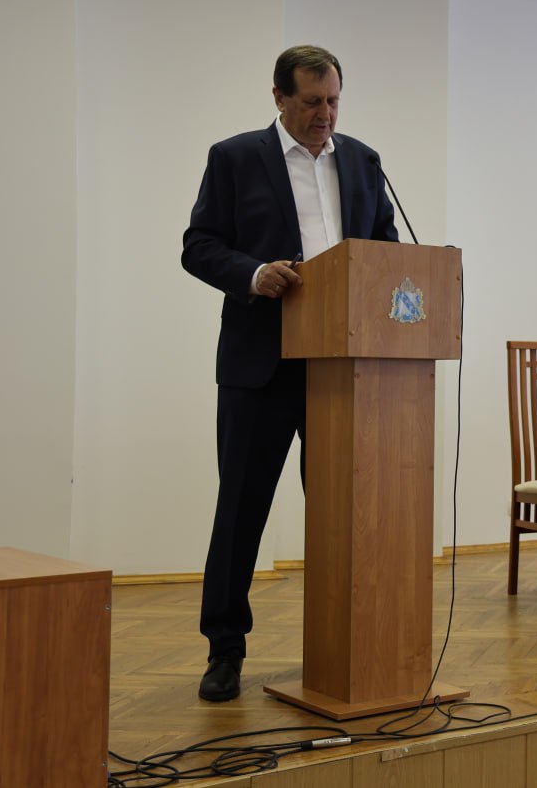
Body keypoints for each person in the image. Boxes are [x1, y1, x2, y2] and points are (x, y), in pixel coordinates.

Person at [181, 45, 398, 702]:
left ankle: (346, 641)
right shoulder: (235, 157)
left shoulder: (362, 161)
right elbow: (199, 245)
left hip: (342, 368)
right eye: (310, 102)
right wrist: (253, 273)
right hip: (261, 364)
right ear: (278, 97)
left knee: (343, 514)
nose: (324, 114)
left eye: (333, 101)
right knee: (241, 510)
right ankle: (225, 649)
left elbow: (384, 250)